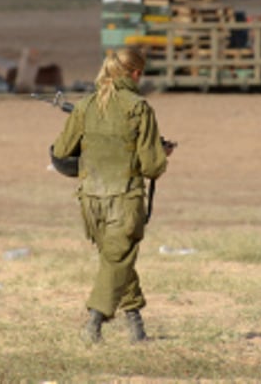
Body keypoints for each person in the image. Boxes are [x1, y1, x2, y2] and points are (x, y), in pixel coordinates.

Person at [52, 47, 173, 344]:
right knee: (117, 261)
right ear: (134, 73)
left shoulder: (86, 105)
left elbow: (60, 152)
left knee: (116, 260)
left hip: (91, 201)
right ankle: (94, 321)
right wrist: (163, 152)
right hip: (124, 199)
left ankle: (136, 328)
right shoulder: (139, 107)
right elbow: (153, 166)